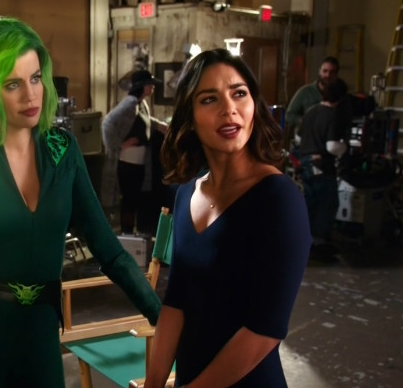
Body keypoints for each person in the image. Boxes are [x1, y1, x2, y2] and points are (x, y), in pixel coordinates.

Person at [0, 16, 161, 387]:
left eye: (35, 78)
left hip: (41, 334)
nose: (31, 95)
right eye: (12, 84)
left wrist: (162, 317)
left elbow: (109, 250)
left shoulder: (62, 149)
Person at [144, 49, 312, 388]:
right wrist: (153, 383)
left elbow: (264, 330)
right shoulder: (185, 194)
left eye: (239, 93)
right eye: (209, 99)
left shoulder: (279, 199)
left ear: (254, 106)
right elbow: (175, 303)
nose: (229, 109)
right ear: (189, 117)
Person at [101, 69, 169, 234]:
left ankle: (132, 231)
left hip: (137, 161)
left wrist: (159, 125)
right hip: (128, 162)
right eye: (150, 85)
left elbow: (144, 120)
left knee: (135, 198)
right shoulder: (130, 104)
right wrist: (119, 144)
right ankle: (127, 232)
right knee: (129, 199)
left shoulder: (141, 104)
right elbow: (107, 123)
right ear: (142, 86)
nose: (152, 88)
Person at [297, 78, 349, 261]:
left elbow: (298, 138)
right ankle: (318, 244)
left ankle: (304, 244)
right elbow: (332, 146)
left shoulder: (311, 112)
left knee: (308, 205)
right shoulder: (332, 115)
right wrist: (345, 148)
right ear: (340, 98)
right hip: (322, 166)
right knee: (326, 205)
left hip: (305, 164)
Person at [284, 56, 339, 151]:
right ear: (319, 71)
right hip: (306, 143)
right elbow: (289, 115)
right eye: (325, 71)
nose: (328, 75)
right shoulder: (305, 92)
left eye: (332, 72)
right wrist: (307, 121)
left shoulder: (340, 94)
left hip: (330, 144)